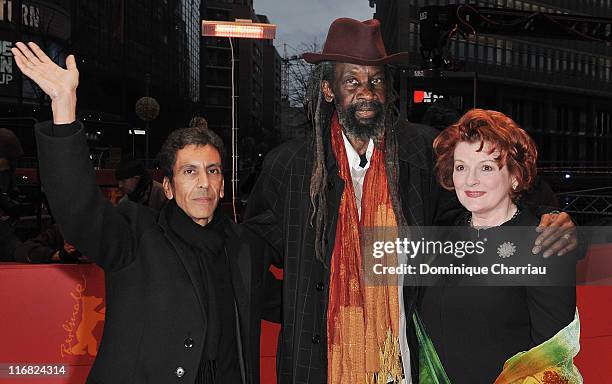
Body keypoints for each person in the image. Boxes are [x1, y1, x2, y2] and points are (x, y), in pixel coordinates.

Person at [243, 18, 577, 383]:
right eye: (352, 81)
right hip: (316, 365)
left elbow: (474, 207)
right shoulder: (289, 166)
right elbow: (249, 255)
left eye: (376, 80)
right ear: (328, 89)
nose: (366, 92)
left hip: (404, 365)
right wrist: (300, 305)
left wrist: (550, 218)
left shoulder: (420, 152)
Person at [12, 41, 279, 384]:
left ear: (223, 185)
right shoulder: (134, 234)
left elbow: (294, 302)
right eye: (189, 172)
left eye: (212, 171)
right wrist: (64, 109)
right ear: (167, 187)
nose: (203, 183)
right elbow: (77, 210)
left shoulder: (245, 246)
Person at [419, 108, 579, 383]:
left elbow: (551, 362)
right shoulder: (442, 237)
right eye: (461, 167)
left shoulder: (543, 243)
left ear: (515, 176)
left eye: (486, 167)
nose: (471, 180)